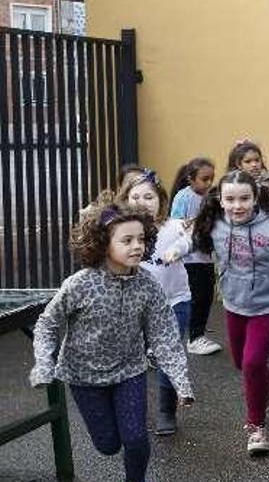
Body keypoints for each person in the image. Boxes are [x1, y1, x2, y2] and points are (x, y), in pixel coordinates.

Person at [32, 200, 193, 482]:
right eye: (127, 240)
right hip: (83, 376)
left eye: (141, 239)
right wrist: (44, 363)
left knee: (136, 440)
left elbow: (165, 335)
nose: (137, 246)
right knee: (108, 445)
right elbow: (47, 323)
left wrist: (181, 381)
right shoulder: (80, 284)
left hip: (129, 371)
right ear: (103, 243)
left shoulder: (147, 284)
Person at [179, 170, 269, 455]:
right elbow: (192, 239)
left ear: (255, 198)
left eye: (244, 198)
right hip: (234, 304)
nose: (237, 205)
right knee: (243, 364)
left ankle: (256, 427)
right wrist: (177, 249)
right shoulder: (216, 225)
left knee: (252, 363)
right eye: (230, 199)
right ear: (221, 199)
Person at [118, 171, 192, 436]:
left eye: (148, 196)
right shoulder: (122, 231)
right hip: (136, 307)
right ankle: (133, 410)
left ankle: (165, 411)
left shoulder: (173, 226)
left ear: (161, 200)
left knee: (168, 357)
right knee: (133, 359)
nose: (142, 202)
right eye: (135, 196)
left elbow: (188, 240)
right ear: (125, 200)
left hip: (175, 302)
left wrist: (178, 249)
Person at [169, 157, 221, 355]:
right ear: (191, 179)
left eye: (211, 179)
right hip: (190, 258)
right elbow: (176, 224)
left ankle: (197, 333)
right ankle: (194, 337)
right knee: (197, 297)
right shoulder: (184, 197)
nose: (208, 183)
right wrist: (191, 225)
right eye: (204, 179)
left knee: (206, 295)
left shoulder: (209, 197)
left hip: (205, 256)